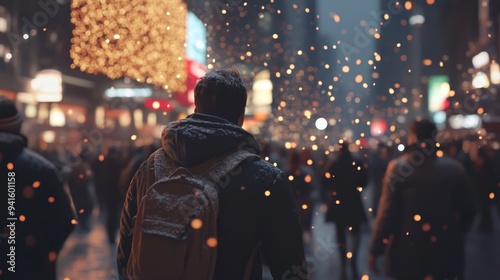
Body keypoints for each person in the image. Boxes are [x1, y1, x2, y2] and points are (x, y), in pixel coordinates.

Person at [117, 69, 307, 280]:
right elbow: (290, 267)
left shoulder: (150, 167)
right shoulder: (266, 179)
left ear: (196, 108)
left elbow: (127, 250)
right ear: (241, 116)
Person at [369, 119, 477, 280]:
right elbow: (470, 208)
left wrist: (375, 249)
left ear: (413, 137)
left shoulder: (398, 168)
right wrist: (456, 230)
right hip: (446, 246)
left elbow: (387, 212)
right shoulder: (454, 168)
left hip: (409, 247)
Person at [0, 96, 75, 280]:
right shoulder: (42, 168)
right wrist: (40, 255)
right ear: (18, 127)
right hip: (31, 269)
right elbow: (65, 220)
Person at [324, 141, 368, 280]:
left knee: (340, 233)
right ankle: (353, 260)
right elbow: (364, 181)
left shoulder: (334, 164)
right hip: (354, 202)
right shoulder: (357, 163)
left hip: (339, 203)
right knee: (355, 232)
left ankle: (344, 262)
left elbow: (326, 183)